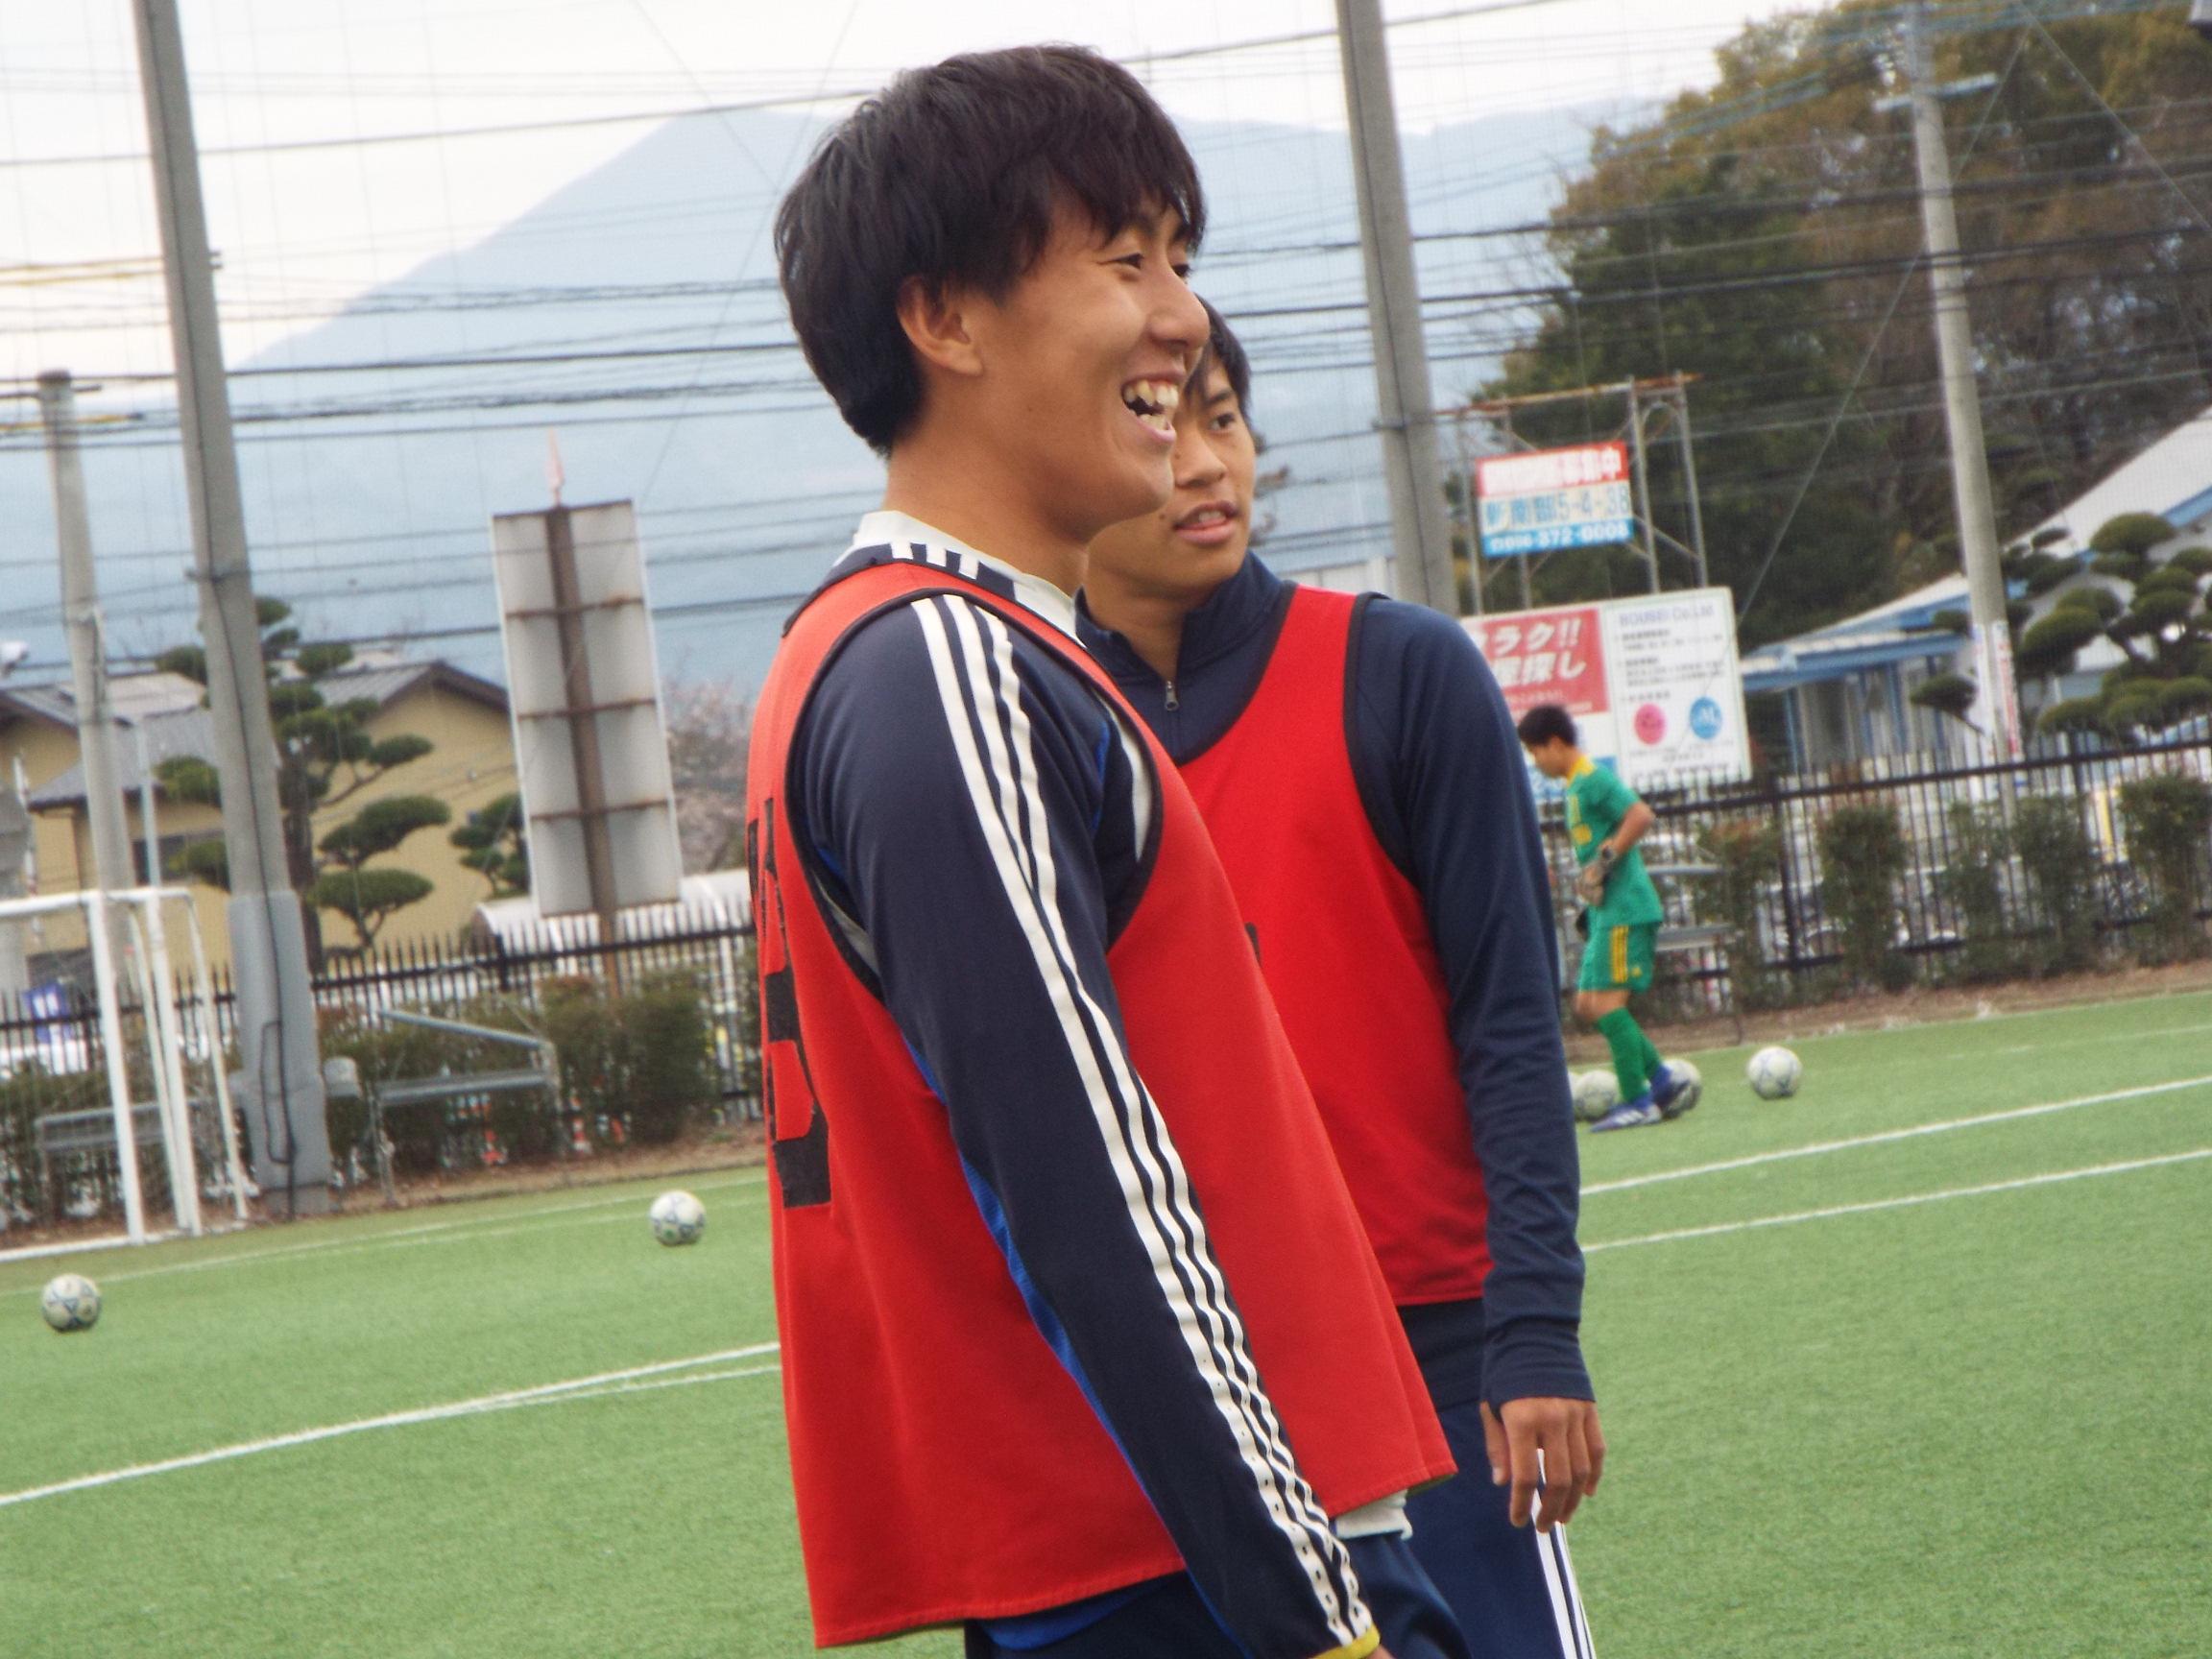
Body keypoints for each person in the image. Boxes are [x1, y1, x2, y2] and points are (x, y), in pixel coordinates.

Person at [756, 47, 1464, 1659]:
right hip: (1187, 1570)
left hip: (1167, 1557)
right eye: (1126, 259)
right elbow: (1087, 1188)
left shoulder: (927, 646)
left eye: (1180, 260)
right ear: (945, 320)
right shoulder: (942, 660)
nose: (1181, 318)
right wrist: (1315, 1612)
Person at [1082, 305, 1603, 1659]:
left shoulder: (1403, 671)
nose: (1206, 463)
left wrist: (1533, 1330)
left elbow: (1510, 1025)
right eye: (1158, 429)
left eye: (1222, 418)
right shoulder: (1030, 721)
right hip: (1181, 1372)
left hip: (1433, 1346)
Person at [1516, 704, 1692, 1133]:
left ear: (1555, 744)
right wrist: (1590, 879)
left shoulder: (1593, 778)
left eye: (1536, 752)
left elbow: (1640, 815)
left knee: (1607, 1005)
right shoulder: (1575, 786)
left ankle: (1638, 1101)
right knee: (1586, 1004)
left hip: (1625, 910)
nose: (1536, 762)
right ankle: (1662, 1080)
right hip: (1604, 913)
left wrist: (1603, 862)